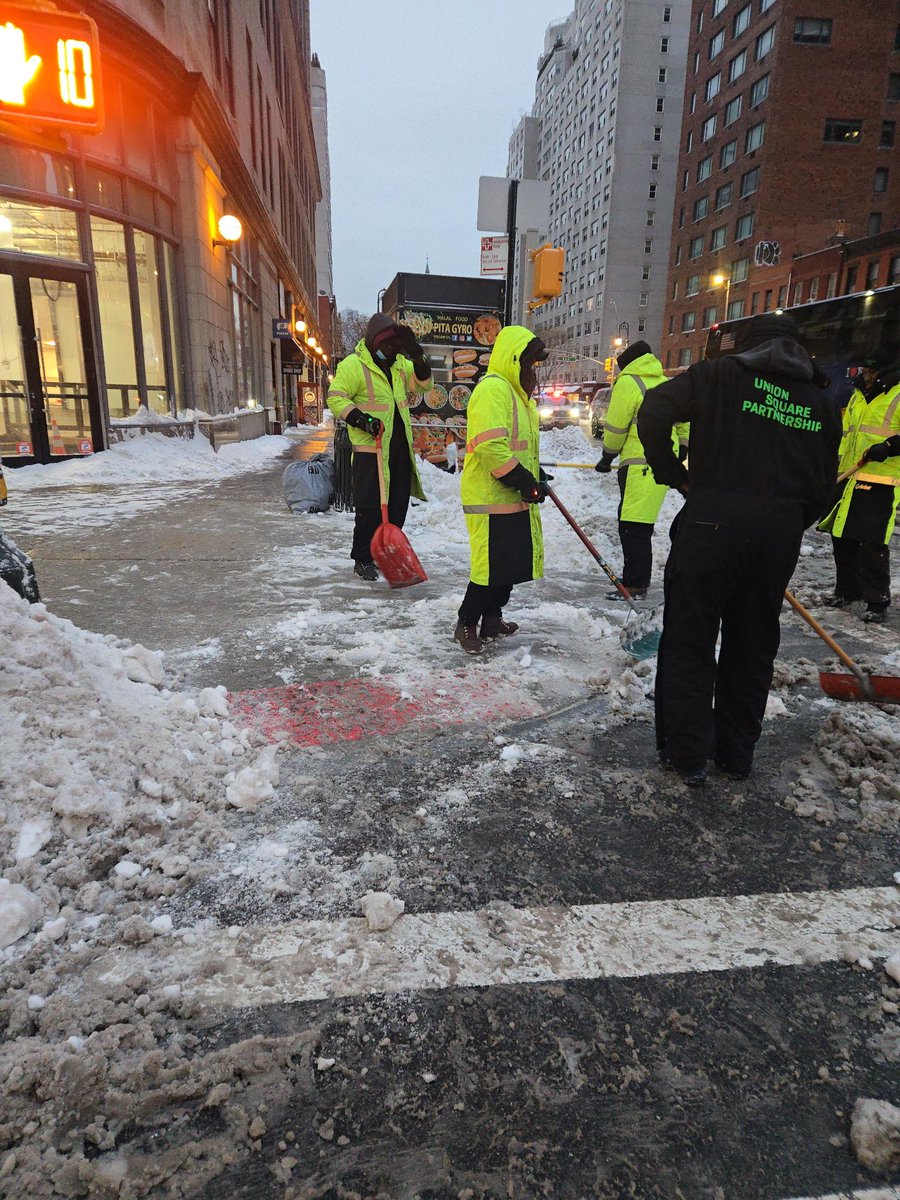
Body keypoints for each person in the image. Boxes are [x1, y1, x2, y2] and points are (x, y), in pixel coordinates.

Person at [637, 313, 841, 785]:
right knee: (752, 644)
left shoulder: (719, 376)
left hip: (712, 522)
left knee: (690, 639)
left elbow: (654, 411)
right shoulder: (821, 399)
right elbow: (825, 482)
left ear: (747, 346)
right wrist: (789, 521)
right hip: (778, 533)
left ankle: (686, 755)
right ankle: (735, 755)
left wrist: (674, 473)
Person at [455, 327, 549, 654]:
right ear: (514, 359)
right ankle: (466, 623)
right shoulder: (493, 390)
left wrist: (537, 475)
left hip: (511, 496)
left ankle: (492, 619)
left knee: (507, 567)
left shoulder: (518, 396)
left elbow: (519, 447)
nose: (533, 371)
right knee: (489, 569)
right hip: (490, 499)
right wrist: (524, 480)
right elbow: (490, 447)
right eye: (530, 363)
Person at [327, 314, 432, 580]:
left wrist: (417, 355)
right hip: (370, 451)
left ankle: (387, 554)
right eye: (389, 349)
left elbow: (424, 385)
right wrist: (362, 420)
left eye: (397, 349)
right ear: (375, 344)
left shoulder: (399, 365)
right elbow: (336, 398)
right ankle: (362, 558)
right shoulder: (354, 366)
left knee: (397, 506)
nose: (393, 354)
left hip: (398, 449)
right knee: (370, 507)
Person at [595, 340, 688, 597]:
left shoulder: (628, 383)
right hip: (661, 464)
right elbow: (684, 421)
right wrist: (682, 447)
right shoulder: (663, 382)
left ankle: (636, 583)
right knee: (639, 525)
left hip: (639, 465)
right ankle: (637, 579)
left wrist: (607, 456)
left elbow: (616, 427)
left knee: (633, 526)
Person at [820, 345, 900, 623]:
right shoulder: (857, 395)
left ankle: (877, 600)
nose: (866, 375)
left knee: (872, 542)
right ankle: (847, 590)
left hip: (881, 481)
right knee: (842, 536)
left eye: (872, 371)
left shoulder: (898, 394)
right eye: (865, 370)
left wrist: (889, 446)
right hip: (848, 476)